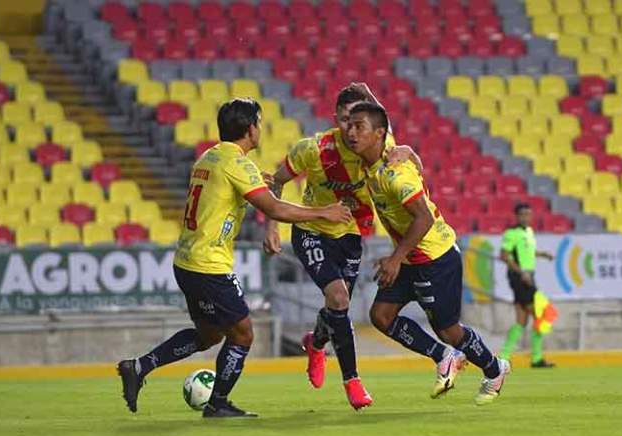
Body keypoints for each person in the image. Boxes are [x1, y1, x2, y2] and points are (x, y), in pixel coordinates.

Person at [117, 98, 352, 418]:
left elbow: (233, 192)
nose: (260, 128)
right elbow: (274, 208)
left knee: (210, 335)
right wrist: (324, 211)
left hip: (186, 261)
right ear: (249, 128)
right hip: (209, 265)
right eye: (258, 122)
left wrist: (262, 189)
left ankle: (139, 366)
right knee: (242, 334)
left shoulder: (209, 157)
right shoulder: (238, 164)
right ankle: (218, 403)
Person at [263, 83, 421, 410]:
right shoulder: (314, 148)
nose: (351, 128)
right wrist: (272, 226)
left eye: (357, 120)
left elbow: (390, 131)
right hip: (310, 230)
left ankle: (315, 343)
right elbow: (276, 180)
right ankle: (352, 381)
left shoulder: (377, 147)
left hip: (349, 233)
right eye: (346, 119)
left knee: (337, 307)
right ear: (335, 117)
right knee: (338, 297)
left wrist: (409, 151)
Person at [346, 102, 510, 405]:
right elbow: (383, 116)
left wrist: (395, 258)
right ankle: (444, 356)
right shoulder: (379, 153)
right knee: (381, 316)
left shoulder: (396, 174)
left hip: (435, 257)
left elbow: (424, 218)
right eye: (349, 125)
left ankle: (495, 368)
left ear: (378, 134)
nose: (350, 132)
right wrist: (363, 93)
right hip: (410, 257)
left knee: (449, 330)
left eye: (359, 127)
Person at [499, 203, 556, 368]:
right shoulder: (511, 233)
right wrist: (521, 272)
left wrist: (543, 254)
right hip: (519, 278)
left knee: (522, 320)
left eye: (529, 214)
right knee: (541, 314)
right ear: (516, 216)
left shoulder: (529, 232)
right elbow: (504, 255)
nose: (526, 217)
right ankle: (536, 358)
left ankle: (504, 356)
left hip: (528, 276)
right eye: (523, 214)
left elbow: (527, 252)